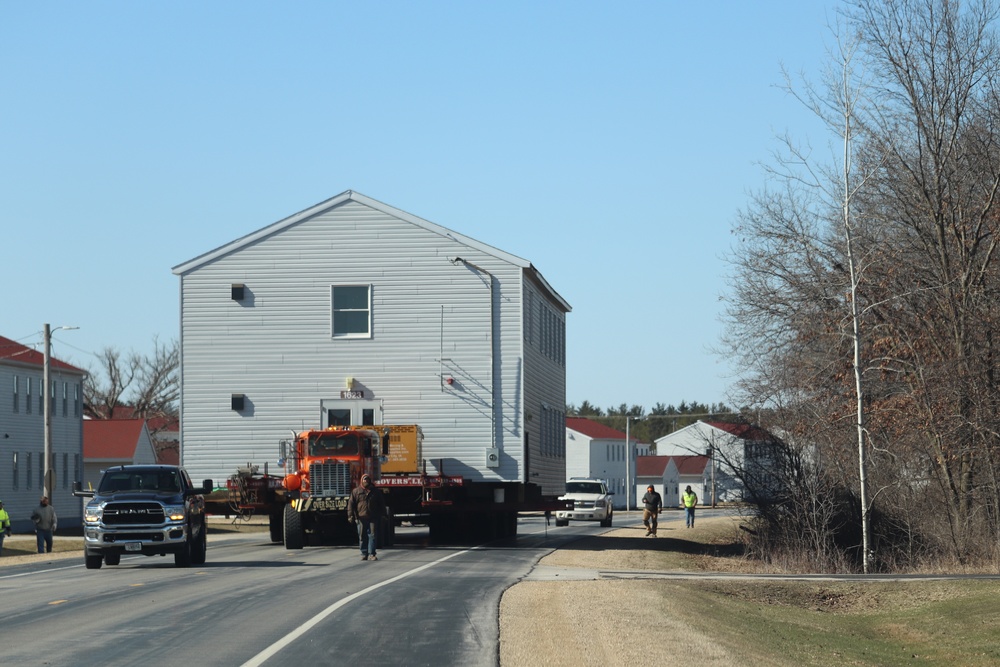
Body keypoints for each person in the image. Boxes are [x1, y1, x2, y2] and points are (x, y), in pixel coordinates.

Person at [347, 474, 385, 561]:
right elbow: (351, 505)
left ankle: (372, 554)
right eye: (364, 480)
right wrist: (350, 516)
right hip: (361, 517)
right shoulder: (356, 492)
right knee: (362, 536)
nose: (366, 481)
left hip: (373, 517)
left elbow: (381, 504)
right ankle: (364, 553)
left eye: (367, 480)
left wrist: (383, 515)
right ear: (361, 481)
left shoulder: (375, 492)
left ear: (370, 481)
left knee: (373, 535)